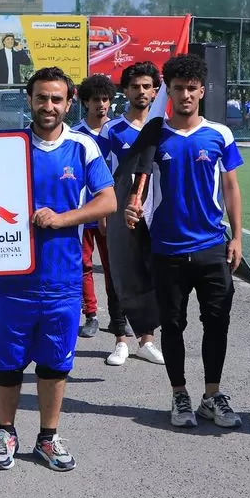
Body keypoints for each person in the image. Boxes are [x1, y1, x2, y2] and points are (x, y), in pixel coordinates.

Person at [0, 67, 116, 472]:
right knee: (7, 363)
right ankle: (6, 432)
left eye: (56, 99)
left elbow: (108, 201)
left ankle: (48, 437)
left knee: (55, 363)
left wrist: (64, 219)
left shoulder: (82, 147)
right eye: (41, 98)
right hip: (11, 278)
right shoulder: (7, 145)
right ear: (29, 100)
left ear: (69, 101)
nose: (48, 106)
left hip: (62, 279)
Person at [124, 53, 245, 429]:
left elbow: (230, 185)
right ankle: (179, 394)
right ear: (169, 91)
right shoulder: (155, 135)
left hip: (211, 244)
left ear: (202, 91)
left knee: (217, 323)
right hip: (167, 249)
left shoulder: (220, 134)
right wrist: (133, 207)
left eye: (192, 88)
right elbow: (138, 183)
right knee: (173, 326)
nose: (186, 95)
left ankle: (212, 395)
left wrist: (237, 237)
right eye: (179, 89)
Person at [99, 62, 164, 367]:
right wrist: (105, 211)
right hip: (119, 210)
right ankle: (120, 339)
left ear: (155, 90)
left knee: (149, 272)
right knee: (119, 273)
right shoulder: (112, 130)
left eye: (147, 86)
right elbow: (100, 173)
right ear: (125, 90)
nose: (141, 92)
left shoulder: (163, 127)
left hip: (156, 211)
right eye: (135, 86)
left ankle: (147, 340)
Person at [71, 75, 116, 339]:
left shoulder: (117, 132)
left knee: (114, 266)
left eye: (106, 99)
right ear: (85, 102)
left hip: (110, 212)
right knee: (84, 265)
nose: (101, 104)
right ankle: (91, 315)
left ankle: (118, 315)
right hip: (84, 212)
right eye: (96, 99)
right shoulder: (75, 135)